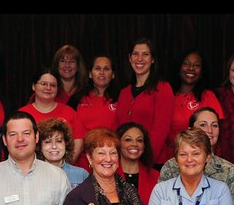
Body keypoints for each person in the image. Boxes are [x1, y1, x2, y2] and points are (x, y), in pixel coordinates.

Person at [159, 108, 234, 203]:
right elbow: (163, 203)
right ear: (190, 130)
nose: (209, 130)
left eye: (215, 125)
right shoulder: (171, 166)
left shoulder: (229, 170)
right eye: (203, 125)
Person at [116, 38, 175, 168]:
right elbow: (118, 129)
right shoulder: (124, 92)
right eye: (135, 54)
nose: (139, 58)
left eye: (145, 54)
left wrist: (145, 162)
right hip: (125, 163)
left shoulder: (163, 88)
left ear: (153, 59)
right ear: (130, 58)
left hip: (152, 164)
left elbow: (161, 130)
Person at [69, 55, 121, 169]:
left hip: (111, 160)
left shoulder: (122, 98)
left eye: (106, 69)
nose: (101, 72)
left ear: (112, 74)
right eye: (97, 68)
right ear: (90, 74)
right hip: (82, 161)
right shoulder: (76, 99)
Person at [19, 69, 82, 162]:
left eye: (52, 85)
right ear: (33, 86)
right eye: (43, 84)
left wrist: (62, 167)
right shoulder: (22, 115)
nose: (48, 88)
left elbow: (78, 144)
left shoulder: (69, 112)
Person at [169, 50, 224, 146]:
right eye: (186, 63)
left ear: (202, 72)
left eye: (197, 65)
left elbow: (216, 132)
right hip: (171, 156)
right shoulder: (168, 95)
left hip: (201, 156)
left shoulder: (208, 96)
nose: (191, 68)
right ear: (179, 68)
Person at [39, 117, 88, 186]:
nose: (54, 146)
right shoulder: (33, 174)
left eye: (59, 141)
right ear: (40, 146)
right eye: (47, 142)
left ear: (66, 144)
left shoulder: (81, 174)